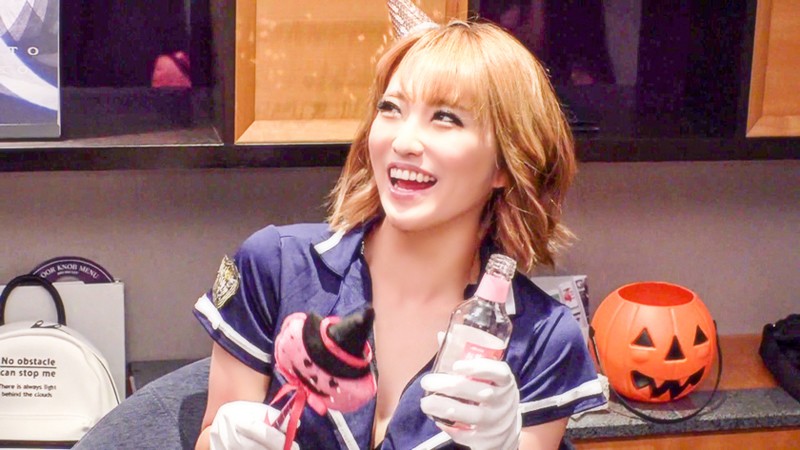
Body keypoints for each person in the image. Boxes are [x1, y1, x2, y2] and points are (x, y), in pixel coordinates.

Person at [192, 17, 605, 450]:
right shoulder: (275, 267)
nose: (404, 141)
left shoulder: (544, 339)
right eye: (391, 109)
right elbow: (208, 437)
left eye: (445, 118)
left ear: (506, 163)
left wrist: (506, 446)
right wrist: (221, 442)